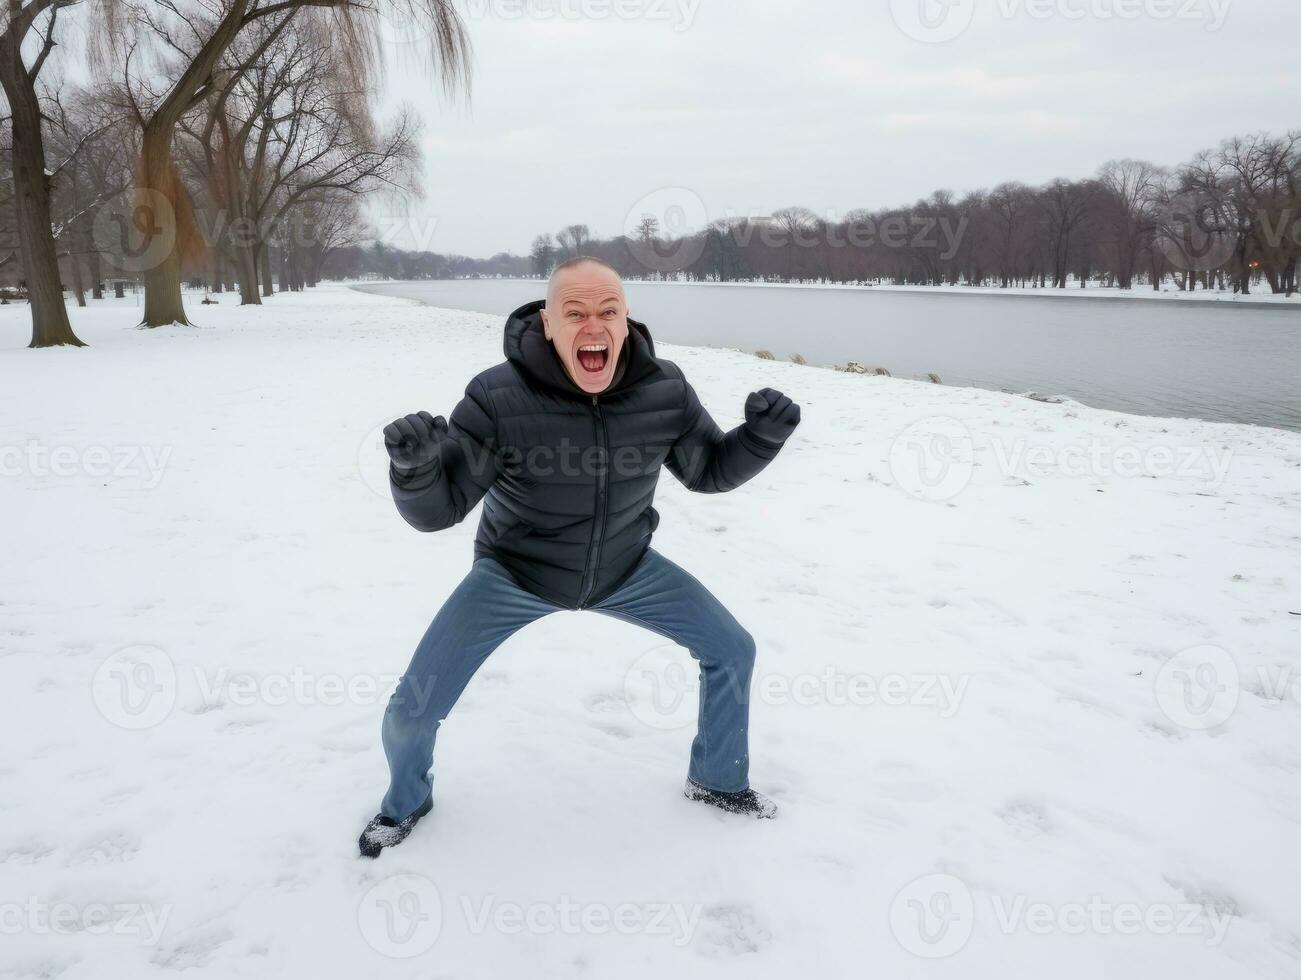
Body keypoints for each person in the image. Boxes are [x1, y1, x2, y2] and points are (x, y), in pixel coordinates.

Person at [359, 257, 801, 857]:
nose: (593, 325)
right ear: (548, 325)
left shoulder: (664, 389)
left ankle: (718, 780)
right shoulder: (496, 397)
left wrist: (759, 440)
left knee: (731, 649)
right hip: (516, 571)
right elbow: (440, 510)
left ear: (624, 323)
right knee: (412, 710)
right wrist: (413, 470)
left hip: (625, 567)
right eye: (575, 313)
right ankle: (405, 801)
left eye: (607, 312)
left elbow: (709, 469)